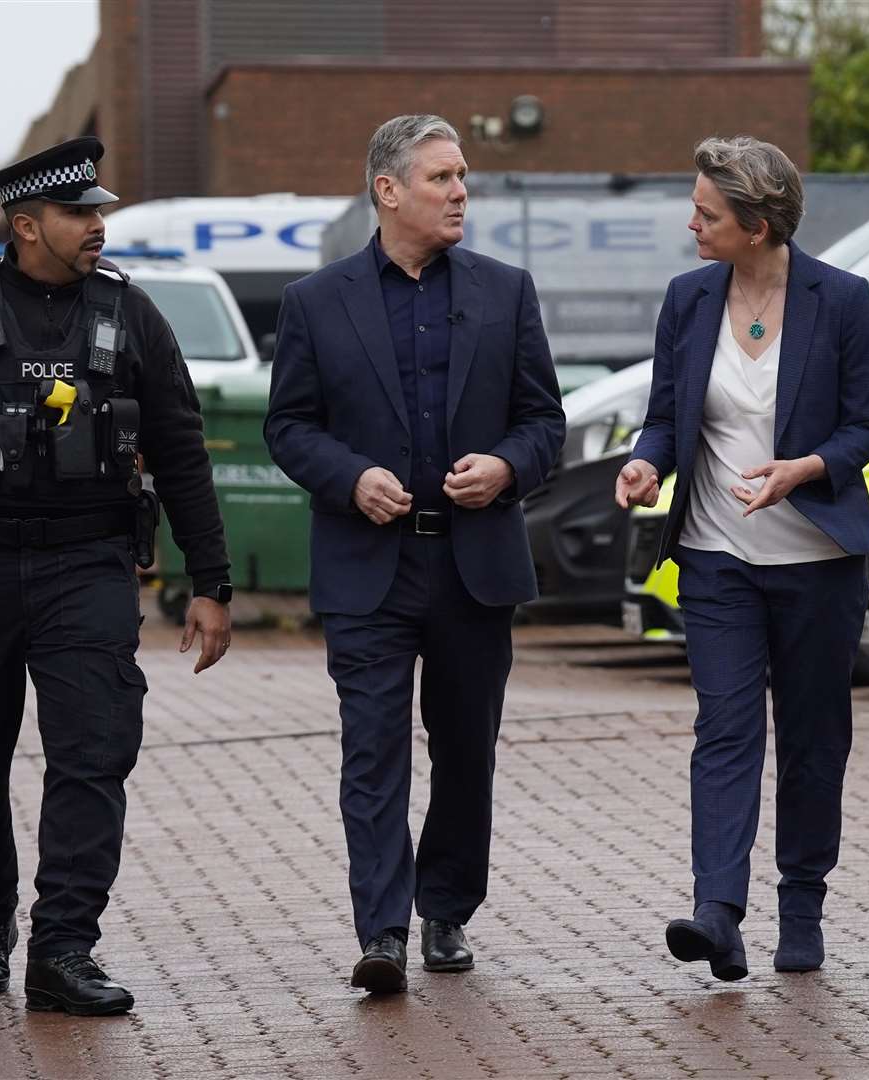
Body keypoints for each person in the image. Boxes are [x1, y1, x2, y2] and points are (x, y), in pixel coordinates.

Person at [0, 136, 234, 1016]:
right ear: (26, 225)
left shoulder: (131, 317)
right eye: (79, 213)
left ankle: (63, 950)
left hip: (88, 565)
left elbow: (181, 454)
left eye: (99, 211)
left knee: (94, 756)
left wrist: (211, 583)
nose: (98, 225)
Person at [264, 115, 565, 995]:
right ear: (388, 191)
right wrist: (351, 477)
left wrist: (509, 465)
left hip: (475, 567)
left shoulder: (507, 292)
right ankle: (383, 930)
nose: (461, 191)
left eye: (463, 175)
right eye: (441, 177)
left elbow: (544, 420)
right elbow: (289, 427)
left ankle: (445, 910)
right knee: (373, 752)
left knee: (466, 750)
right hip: (368, 567)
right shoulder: (315, 302)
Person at [615, 136, 869, 979]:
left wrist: (805, 469)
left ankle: (800, 907)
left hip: (816, 559)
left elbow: (867, 426)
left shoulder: (842, 301)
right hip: (714, 556)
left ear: (759, 226)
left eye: (707, 212)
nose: (690, 222)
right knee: (725, 730)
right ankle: (718, 912)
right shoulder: (688, 299)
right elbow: (668, 413)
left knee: (813, 738)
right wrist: (645, 461)